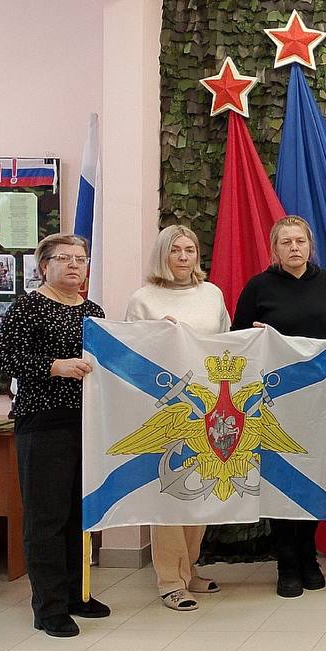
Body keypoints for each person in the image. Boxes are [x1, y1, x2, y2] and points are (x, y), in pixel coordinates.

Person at [0, 234, 109, 638]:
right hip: (43, 423)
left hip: (87, 424)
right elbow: (3, 357)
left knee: (80, 514)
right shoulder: (28, 307)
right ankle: (48, 607)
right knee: (47, 517)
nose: (75, 265)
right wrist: (53, 366)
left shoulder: (93, 311)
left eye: (81, 259)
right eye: (64, 258)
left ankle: (77, 594)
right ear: (45, 266)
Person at [232, 215, 326, 598]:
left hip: (320, 401)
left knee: (314, 472)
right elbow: (236, 337)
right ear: (275, 249)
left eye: (299, 241)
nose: (294, 248)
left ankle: (308, 556)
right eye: (286, 242)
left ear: (310, 245)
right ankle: (286, 562)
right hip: (275, 403)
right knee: (279, 478)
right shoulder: (259, 287)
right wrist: (253, 338)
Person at [126, 225, 231, 611]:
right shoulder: (143, 299)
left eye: (190, 249)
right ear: (162, 255)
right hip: (166, 408)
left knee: (199, 490)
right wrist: (157, 334)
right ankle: (170, 579)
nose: (184, 257)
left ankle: (190, 568)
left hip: (207, 407)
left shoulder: (212, 294)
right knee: (170, 492)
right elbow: (131, 354)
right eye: (175, 250)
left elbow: (224, 343)